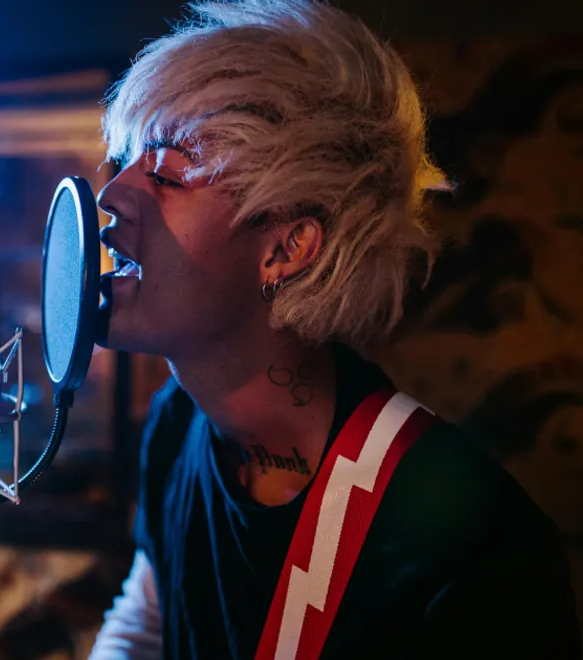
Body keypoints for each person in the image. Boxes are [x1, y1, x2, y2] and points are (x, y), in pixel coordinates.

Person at [87, 1, 581, 658]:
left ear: (287, 249)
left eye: (168, 176)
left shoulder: (477, 541)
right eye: (123, 162)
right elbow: (150, 614)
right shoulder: (178, 424)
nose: (112, 196)